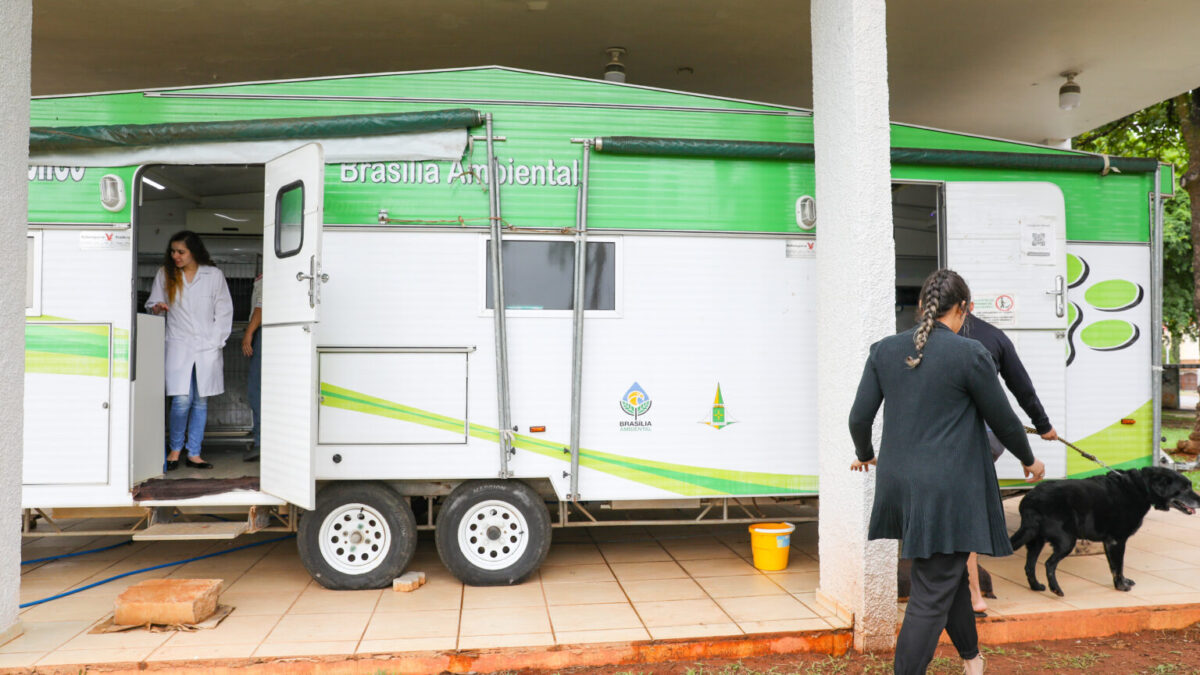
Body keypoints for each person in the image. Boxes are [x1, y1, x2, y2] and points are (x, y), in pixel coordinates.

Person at [848, 268, 1045, 675]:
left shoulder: (884, 350)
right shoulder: (969, 353)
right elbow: (1005, 420)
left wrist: (865, 453)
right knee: (931, 590)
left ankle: (973, 660)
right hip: (950, 486)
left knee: (947, 571)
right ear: (962, 310)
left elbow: (858, 418)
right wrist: (1029, 459)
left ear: (922, 307)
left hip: (901, 483)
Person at [959, 309, 1059, 616]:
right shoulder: (993, 336)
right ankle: (972, 591)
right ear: (968, 304)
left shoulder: (928, 338)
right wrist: (1042, 427)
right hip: (989, 435)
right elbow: (1020, 387)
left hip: (959, 437)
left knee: (957, 512)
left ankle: (972, 592)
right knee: (963, 509)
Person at [146, 231, 234, 471]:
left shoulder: (213, 275)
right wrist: (158, 307)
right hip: (179, 344)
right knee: (182, 399)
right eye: (173, 251)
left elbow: (224, 310)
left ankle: (194, 453)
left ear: (193, 251)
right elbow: (152, 303)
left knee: (200, 400)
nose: (175, 256)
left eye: (181, 251)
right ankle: (175, 450)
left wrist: (216, 341)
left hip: (207, 346)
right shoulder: (165, 275)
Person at [241, 273, 263, 462]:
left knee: (257, 390)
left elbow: (261, 307)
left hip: (262, 333)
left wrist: (248, 334)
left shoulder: (269, 276)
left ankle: (260, 443)